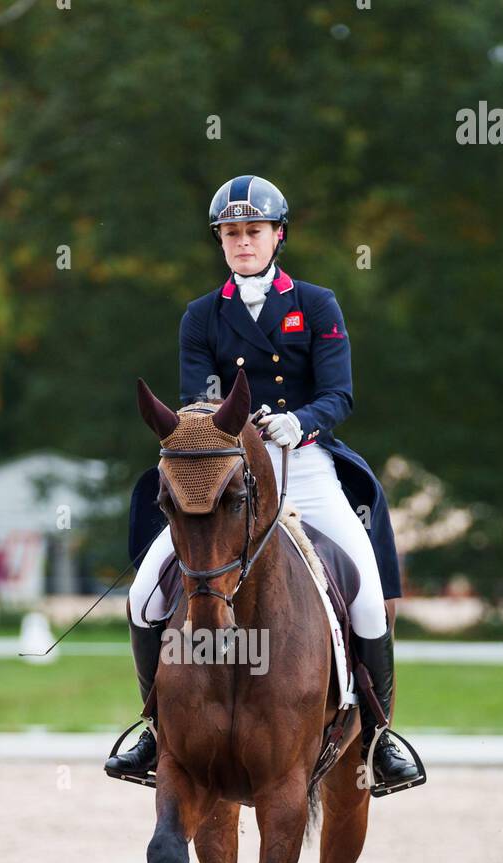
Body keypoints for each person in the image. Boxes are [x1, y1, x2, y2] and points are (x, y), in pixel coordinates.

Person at [106, 174, 421, 793]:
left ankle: (382, 735)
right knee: (145, 590)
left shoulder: (318, 303)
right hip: (227, 471)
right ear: (220, 241)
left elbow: (340, 393)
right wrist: (238, 432)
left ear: (277, 236)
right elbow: (197, 399)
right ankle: (154, 725)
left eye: (253, 232)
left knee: (364, 588)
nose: (242, 242)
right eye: (231, 234)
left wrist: (299, 422)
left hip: (304, 464)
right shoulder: (202, 315)